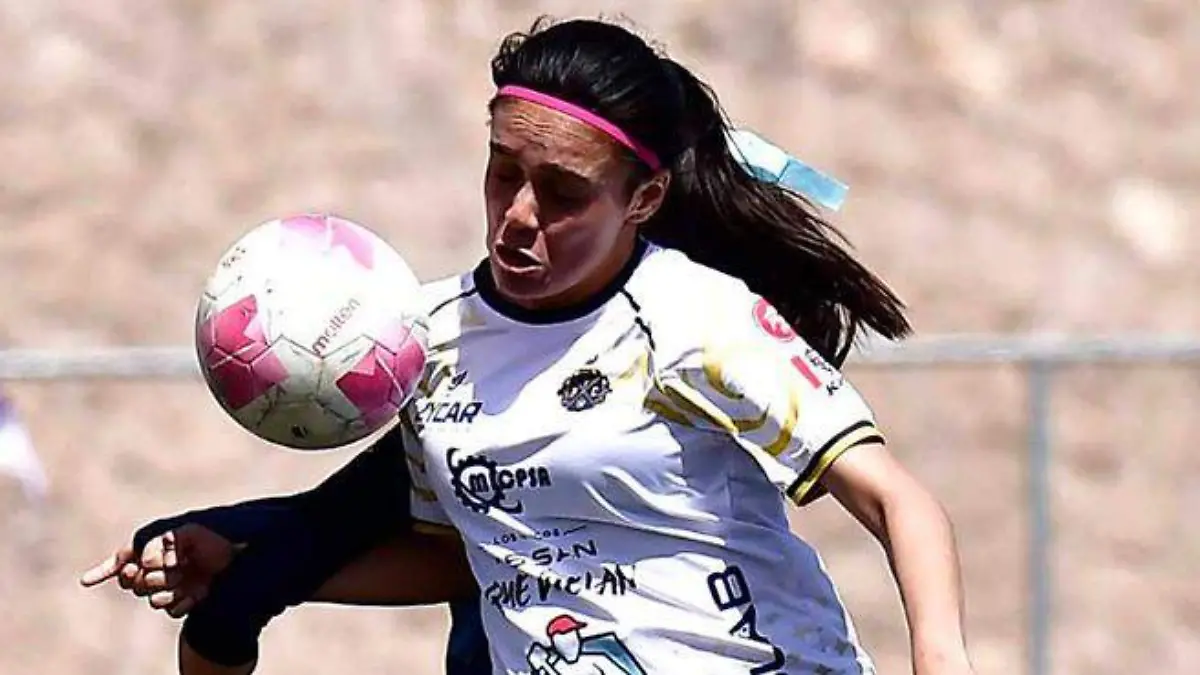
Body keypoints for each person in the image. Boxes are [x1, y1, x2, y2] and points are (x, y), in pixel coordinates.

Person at [82, 16, 975, 675]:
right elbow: (476, 551)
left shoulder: (698, 319)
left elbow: (899, 501)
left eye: (562, 192)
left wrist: (940, 657)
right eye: (503, 171)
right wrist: (253, 562)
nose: (517, 215)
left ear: (643, 199)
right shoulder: (430, 343)